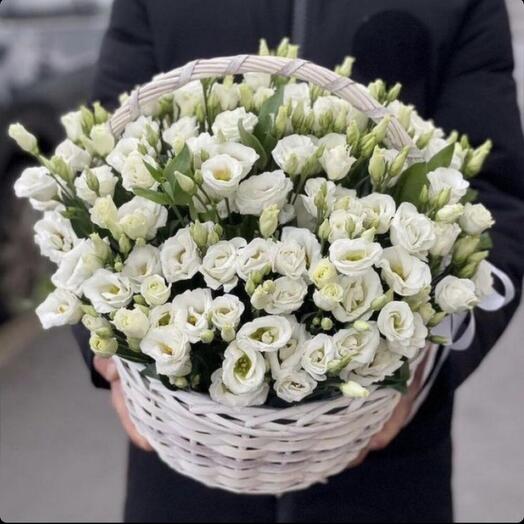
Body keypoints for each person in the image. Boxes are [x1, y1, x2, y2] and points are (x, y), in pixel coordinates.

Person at [74, 0, 524, 521]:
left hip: (385, 476)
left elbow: (498, 199)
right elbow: (96, 167)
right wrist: (107, 356)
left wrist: (423, 371)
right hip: (184, 475)